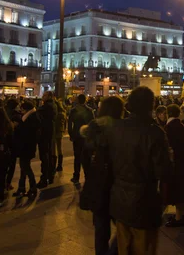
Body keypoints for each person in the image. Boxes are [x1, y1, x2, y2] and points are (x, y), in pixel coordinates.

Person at [106, 87, 172, 254]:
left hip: (119, 200)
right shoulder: (154, 132)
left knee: (123, 247)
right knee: (144, 249)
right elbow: (164, 171)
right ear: (151, 105)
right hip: (144, 203)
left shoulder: (117, 128)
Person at [81, 96, 124, 255]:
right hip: (119, 184)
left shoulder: (93, 128)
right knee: (124, 228)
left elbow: (84, 158)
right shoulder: (123, 128)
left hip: (98, 184)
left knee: (100, 230)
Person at [163, 104, 184, 227]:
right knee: (179, 190)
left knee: (176, 190)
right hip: (182, 162)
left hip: (175, 164)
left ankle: (179, 217)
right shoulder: (180, 125)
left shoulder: (170, 126)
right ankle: (179, 215)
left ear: (167, 114)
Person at [13, 101, 40, 199]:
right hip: (26, 147)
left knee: (26, 168)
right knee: (23, 168)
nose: (21, 111)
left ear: (27, 110)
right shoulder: (29, 117)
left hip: (26, 147)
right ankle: (21, 188)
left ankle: (33, 187)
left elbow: (26, 133)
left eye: (22, 109)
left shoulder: (31, 119)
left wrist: (17, 127)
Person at [68, 94, 94, 184]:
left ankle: (76, 176)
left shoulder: (73, 111)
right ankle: (88, 176)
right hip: (86, 136)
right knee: (87, 157)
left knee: (77, 157)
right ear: (85, 100)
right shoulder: (90, 111)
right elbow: (92, 124)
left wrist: (71, 134)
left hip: (77, 136)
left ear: (78, 100)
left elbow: (69, 124)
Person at [36, 91, 57, 188]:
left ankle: (44, 178)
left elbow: (37, 114)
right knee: (48, 154)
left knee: (44, 156)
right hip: (50, 132)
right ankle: (50, 176)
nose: (42, 97)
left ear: (49, 96)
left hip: (44, 133)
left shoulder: (46, 107)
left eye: (44, 95)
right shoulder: (52, 105)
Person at [4, 98, 22, 191]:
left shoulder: (3, 113)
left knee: (3, 164)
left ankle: (2, 182)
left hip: (4, 141)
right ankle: (8, 183)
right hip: (14, 141)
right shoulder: (17, 116)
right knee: (12, 164)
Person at [53, 97, 66, 172]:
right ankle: (60, 165)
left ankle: (54, 165)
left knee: (53, 149)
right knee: (59, 148)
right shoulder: (62, 113)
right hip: (60, 131)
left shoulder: (56, 114)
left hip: (55, 131)